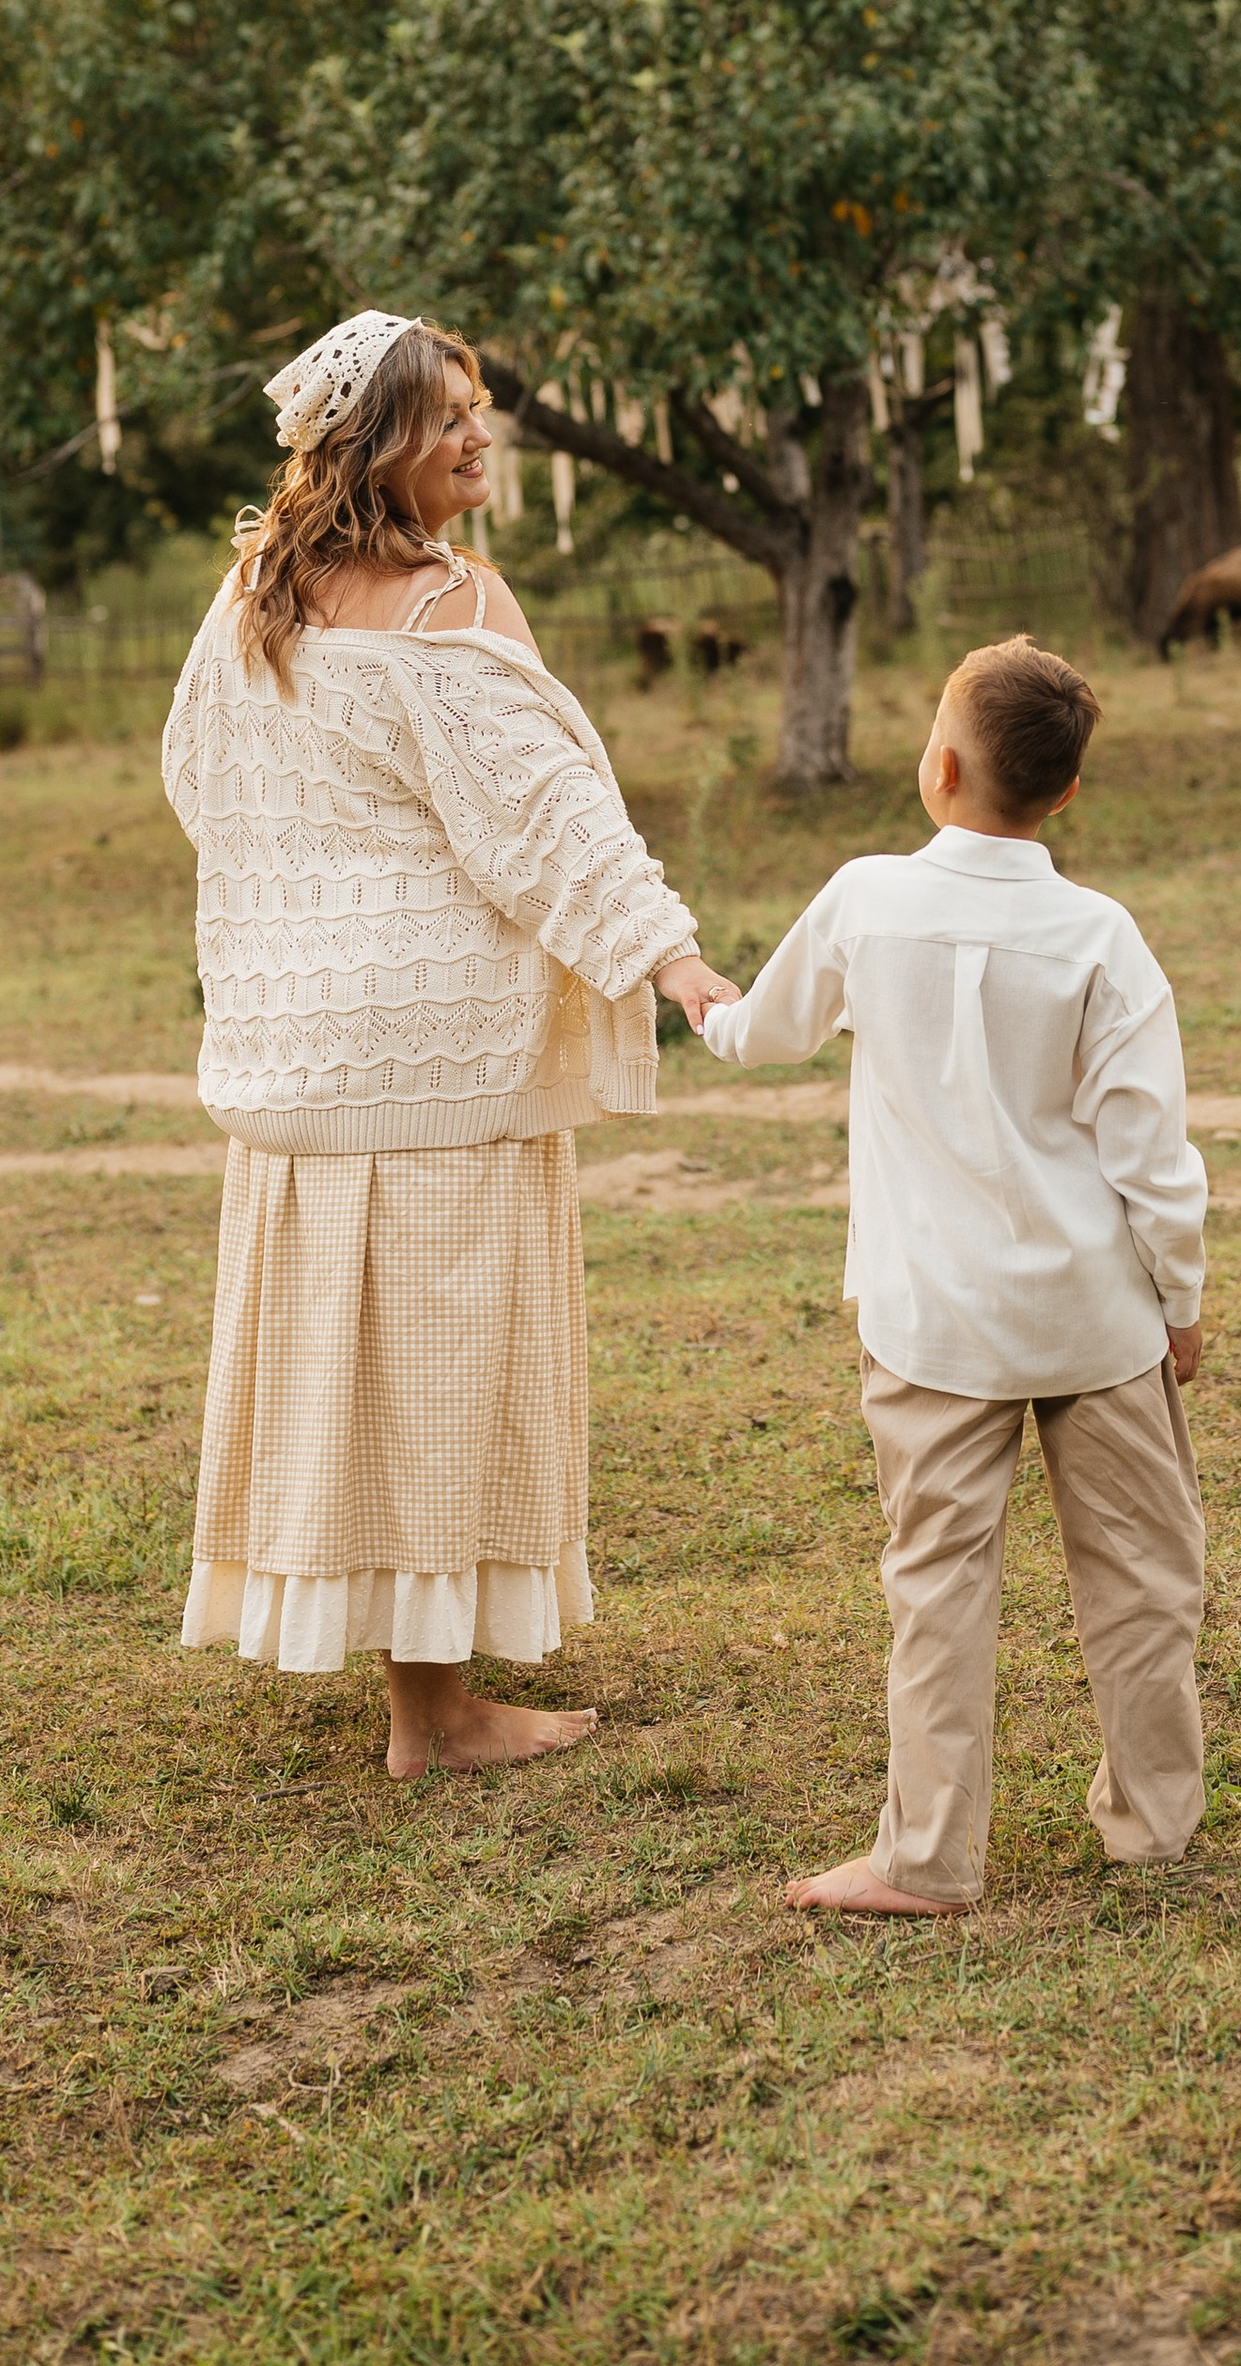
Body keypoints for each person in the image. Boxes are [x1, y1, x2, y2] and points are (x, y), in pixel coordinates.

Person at [163, 310, 738, 1779]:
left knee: (345, 1373)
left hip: (304, 1056)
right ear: (375, 448)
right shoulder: (451, 606)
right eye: (446, 419)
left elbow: (199, 781)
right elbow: (551, 821)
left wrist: (316, 911)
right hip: (432, 1061)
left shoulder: (252, 598)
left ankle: (405, 1677)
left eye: (481, 407)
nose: (479, 436)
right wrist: (670, 958)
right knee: (434, 1372)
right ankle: (439, 1716)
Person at [699, 635, 1208, 1912]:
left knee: (938, 1578)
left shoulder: (867, 899)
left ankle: (927, 1856)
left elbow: (760, 1034)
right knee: (1144, 1577)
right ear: (1067, 792)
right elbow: (1151, 1150)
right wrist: (1180, 1303)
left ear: (937, 767)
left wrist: (699, 994)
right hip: (1097, 1318)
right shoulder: (1102, 934)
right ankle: (1153, 1822)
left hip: (934, 1324)